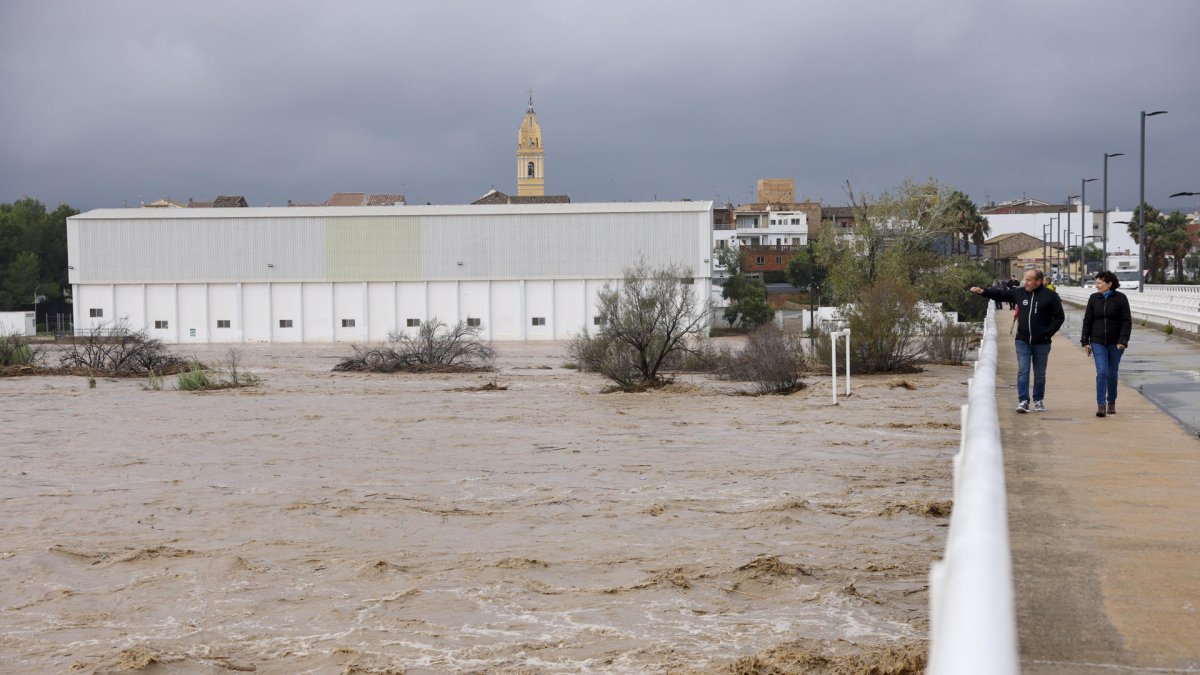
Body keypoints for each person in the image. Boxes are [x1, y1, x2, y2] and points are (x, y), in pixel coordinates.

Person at [971, 269, 1066, 413]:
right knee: (1023, 370)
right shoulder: (1019, 293)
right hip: (1022, 340)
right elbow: (1001, 295)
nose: (1025, 282)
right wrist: (983, 291)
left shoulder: (1050, 296)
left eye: (1029, 280)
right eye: (1025, 279)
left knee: (1040, 373)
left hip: (1042, 342)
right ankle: (1023, 401)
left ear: (1038, 281)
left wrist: (1048, 333)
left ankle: (1038, 400)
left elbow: (1059, 317)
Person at [1081, 270, 1132, 418]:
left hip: (1116, 343)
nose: (1096, 286)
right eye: (1096, 283)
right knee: (1102, 372)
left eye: (1099, 283)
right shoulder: (1093, 298)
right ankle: (1101, 405)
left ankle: (1111, 402)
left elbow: (1126, 321)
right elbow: (1087, 320)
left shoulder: (1121, 298)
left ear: (1109, 284)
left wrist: (1123, 340)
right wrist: (1085, 341)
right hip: (1097, 341)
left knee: (1112, 374)